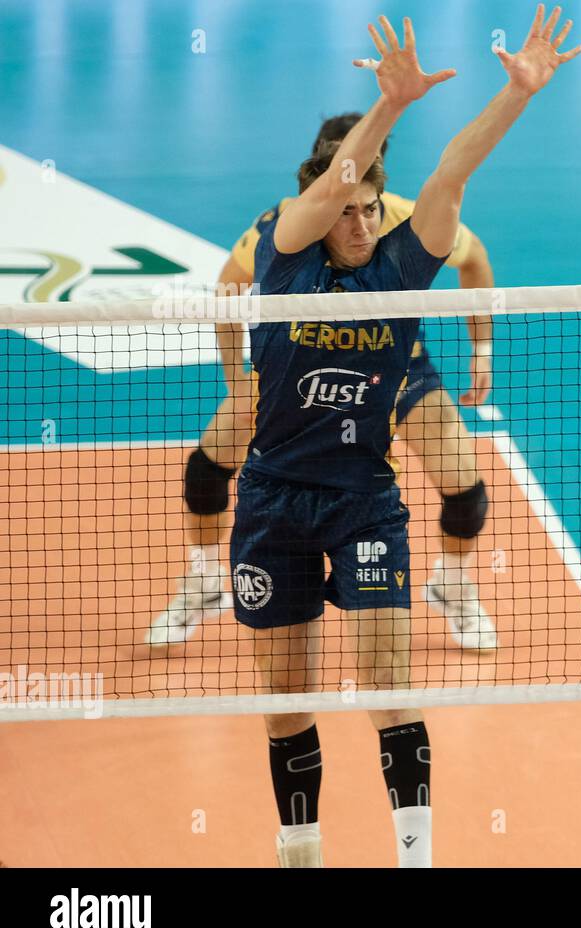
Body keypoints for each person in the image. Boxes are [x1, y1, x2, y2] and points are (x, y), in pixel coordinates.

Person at [238, 8, 581, 868]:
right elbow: (330, 184)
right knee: (287, 703)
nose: (358, 222)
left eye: (367, 211)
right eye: (345, 209)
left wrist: (518, 93)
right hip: (273, 499)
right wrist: (386, 105)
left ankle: (416, 859)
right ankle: (301, 850)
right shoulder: (284, 257)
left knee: (389, 688)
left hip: (363, 502)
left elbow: (455, 170)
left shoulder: (399, 269)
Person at [146, 113, 499, 650]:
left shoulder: (400, 214)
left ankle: (451, 582)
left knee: (465, 489)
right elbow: (227, 289)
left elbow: (474, 261)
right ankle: (202, 578)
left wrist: (482, 349)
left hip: (398, 372)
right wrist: (236, 379)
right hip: (294, 374)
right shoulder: (283, 226)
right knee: (207, 466)